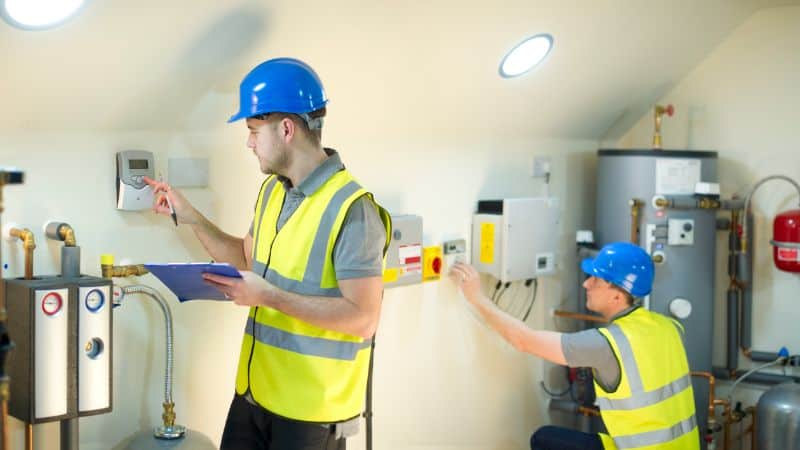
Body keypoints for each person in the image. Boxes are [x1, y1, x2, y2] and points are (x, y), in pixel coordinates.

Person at [145, 57, 391, 450]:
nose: (249, 142)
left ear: (287, 129)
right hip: (254, 395)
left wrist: (267, 296)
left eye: (254, 130)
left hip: (311, 414)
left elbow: (363, 319)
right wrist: (190, 216)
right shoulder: (273, 193)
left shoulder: (352, 209)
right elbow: (246, 260)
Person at [449, 242, 699, 450]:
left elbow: (523, 340)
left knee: (544, 440)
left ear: (617, 294)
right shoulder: (670, 327)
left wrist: (476, 297)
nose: (585, 284)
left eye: (596, 280)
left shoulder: (607, 344)